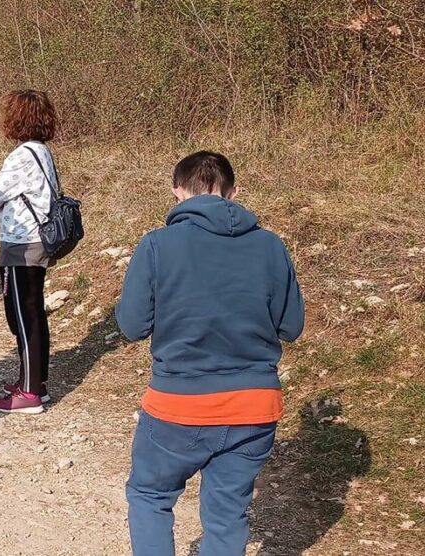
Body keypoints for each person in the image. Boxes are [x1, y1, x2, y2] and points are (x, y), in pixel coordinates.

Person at [117, 151, 304, 556]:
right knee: (226, 515)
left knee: (150, 495)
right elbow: (291, 326)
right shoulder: (270, 246)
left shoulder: (157, 245)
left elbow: (132, 326)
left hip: (178, 405)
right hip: (254, 405)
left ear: (177, 192)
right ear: (234, 193)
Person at [0, 89, 59, 415]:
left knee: (22, 316)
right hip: (37, 241)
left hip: (21, 243)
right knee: (34, 313)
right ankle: (34, 383)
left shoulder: (21, 156)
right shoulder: (43, 152)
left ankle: (28, 392)